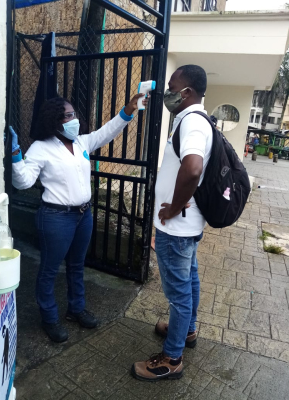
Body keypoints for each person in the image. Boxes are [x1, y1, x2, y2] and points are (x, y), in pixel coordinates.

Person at [11, 94, 147, 343]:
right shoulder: (41, 148)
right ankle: (50, 319)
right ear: (55, 120)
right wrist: (17, 156)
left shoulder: (81, 143)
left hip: (83, 215)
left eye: (74, 114)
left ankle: (76, 310)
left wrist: (128, 110)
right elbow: (23, 182)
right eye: (69, 115)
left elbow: (107, 132)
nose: (76, 119)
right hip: (55, 218)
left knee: (77, 265)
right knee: (49, 270)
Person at [132, 65, 212, 381]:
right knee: (189, 280)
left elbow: (192, 170)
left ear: (187, 92)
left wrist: (172, 209)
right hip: (186, 226)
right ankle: (187, 331)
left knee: (178, 294)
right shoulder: (194, 120)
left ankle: (171, 358)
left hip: (176, 228)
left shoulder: (192, 122)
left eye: (172, 86)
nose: (168, 91)